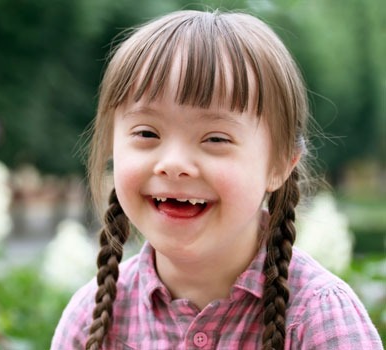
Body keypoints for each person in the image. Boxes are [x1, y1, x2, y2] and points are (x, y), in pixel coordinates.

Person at [51, 9, 383, 350]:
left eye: (215, 138)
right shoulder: (89, 319)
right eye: (147, 132)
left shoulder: (321, 319)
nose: (174, 164)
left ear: (280, 163)